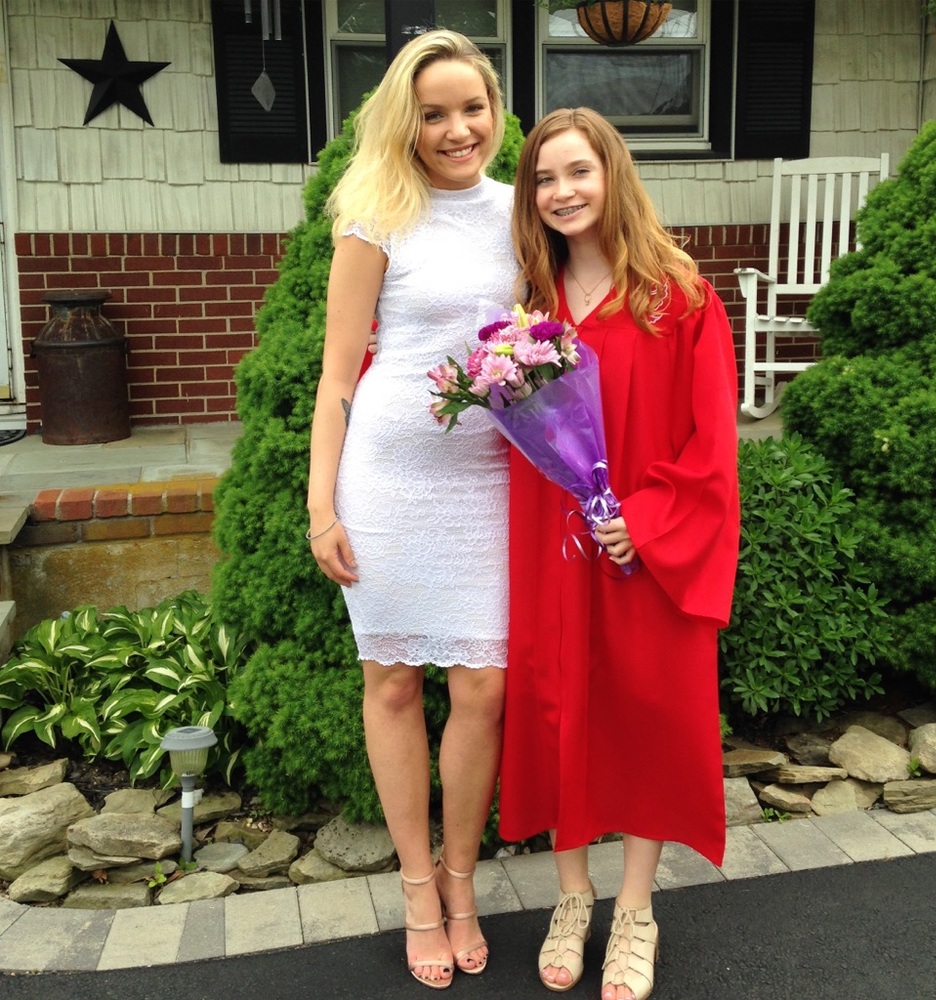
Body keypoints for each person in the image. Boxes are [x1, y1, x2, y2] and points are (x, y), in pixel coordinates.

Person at [500, 108, 740, 1000]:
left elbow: (713, 441)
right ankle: (572, 897)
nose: (562, 193)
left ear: (613, 175)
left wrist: (647, 517)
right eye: (544, 180)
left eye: (578, 173)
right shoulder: (529, 309)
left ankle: (635, 910)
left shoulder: (677, 298)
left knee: (642, 707)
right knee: (560, 704)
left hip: (645, 547)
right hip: (553, 550)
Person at [307, 30, 517, 991]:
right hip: (389, 478)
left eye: (470, 108)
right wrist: (322, 505)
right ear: (406, 120)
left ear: (494, 111)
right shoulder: (374, 213)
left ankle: (464, 881)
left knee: (481, 689)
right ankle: (416, 891)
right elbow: (337, 371)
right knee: (392, 683)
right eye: (433, 113)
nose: (455, 128)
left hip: (492, 483)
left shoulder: (526, 215)